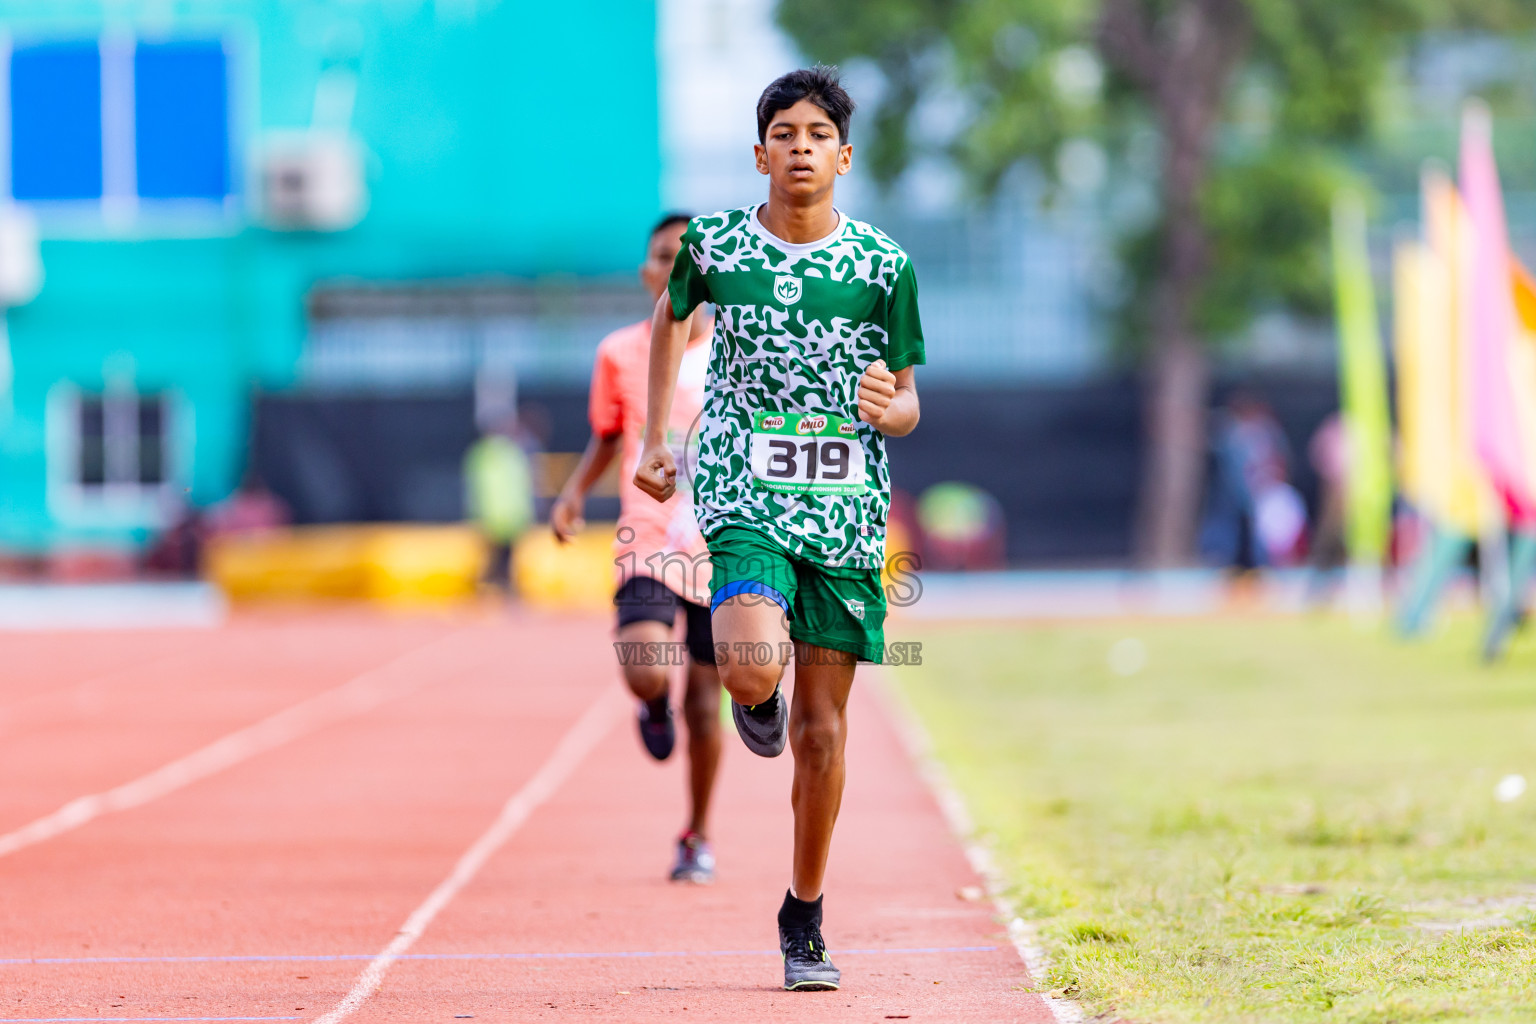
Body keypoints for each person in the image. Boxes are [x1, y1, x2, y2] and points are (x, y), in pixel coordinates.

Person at [634, 67, 924, 992]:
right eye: (784, 133)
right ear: (761, 154)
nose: (801, 147)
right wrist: (652, 440)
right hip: (741, 484)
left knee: (825, 732)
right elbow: (669, 321)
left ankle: (804, 912)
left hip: (845, 503)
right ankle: (751, 696)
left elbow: (909, 398)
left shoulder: (883, 266)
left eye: (817, 133)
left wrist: (892, 407)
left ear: (845, 154)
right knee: (755, 664)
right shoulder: (717, 246)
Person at [550, 213, 722, 884]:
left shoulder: (743, 353)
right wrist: (572, 493)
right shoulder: (619, 352)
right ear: (648, 272)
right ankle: (652, 704)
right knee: (647, 667)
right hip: (647, 535)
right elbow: (607, 434)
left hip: (724, 543)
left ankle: (697, 834)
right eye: (662, 256)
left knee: (708, 703)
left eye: (690, 256)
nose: (675, 266)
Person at [464, 415, 535, 594]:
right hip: (505, 516)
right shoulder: (512, 453)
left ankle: (494, 590)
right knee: (499, 559)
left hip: (499, 516)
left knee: (499, 559)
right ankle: (494, 589)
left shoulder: (483, 454)